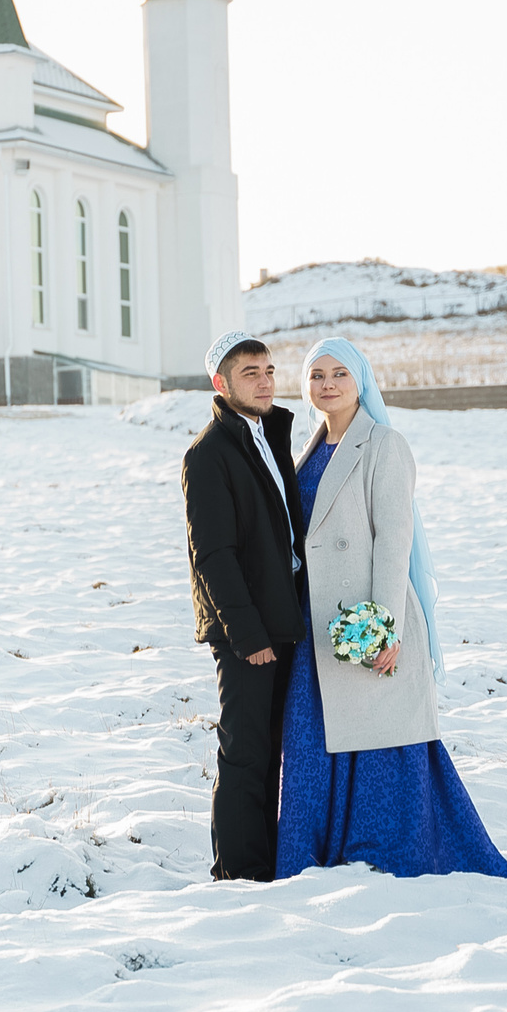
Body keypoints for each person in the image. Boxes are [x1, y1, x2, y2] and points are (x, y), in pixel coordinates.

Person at [276, 337, 507, 880]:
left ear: (361, 380)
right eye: (316, 375)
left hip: (365, 619)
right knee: (316, 739)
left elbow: (393, 540)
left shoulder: (384, 444)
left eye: (339, 373)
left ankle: (391, 855)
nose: (327, 384)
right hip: (315, 626)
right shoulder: (307, 449)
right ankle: (311, 857)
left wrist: (383, 625)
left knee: (379, 734)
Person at [181, 332, 307, 882]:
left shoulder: (270, 436)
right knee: (246, 754)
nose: (264, 380)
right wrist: (247, 634)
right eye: (250, 372)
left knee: (275, 751)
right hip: (246, 632)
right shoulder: (208, 453)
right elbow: (213, 555)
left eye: (269, 370)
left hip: (282, 622)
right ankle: (237, 871)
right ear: (221, 383)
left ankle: (268, 860)